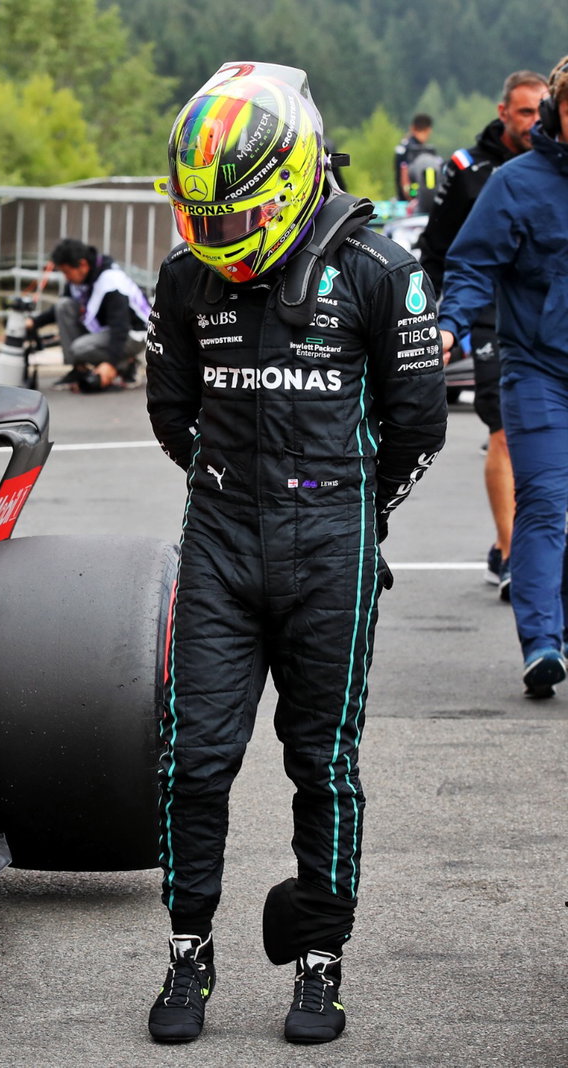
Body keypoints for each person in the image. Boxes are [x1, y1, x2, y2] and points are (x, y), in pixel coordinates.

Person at [144, 62, 446, 1045]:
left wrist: (353, 512)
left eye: (231, 218)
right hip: (221, 543)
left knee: (322, 764)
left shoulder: (379, 271)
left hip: (331, 549)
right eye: (202, 217)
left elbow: (418, 426)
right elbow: (170, 412)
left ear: (287, 182)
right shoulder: (185, 277)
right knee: (194, 761)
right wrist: (234, 486)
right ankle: (188, 949)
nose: (216, 236)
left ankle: (320, 960)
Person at [438, 55, 568, 698]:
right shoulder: (516, 184)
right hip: (540, 369)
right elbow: (470, 266)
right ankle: (542, 642)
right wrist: (446, 328)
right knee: (543, 501)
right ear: (554, 112)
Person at [420, 70, 550, 599]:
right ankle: (513, 552)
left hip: (543, 309)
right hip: (484, 309)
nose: (535, 121)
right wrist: (438, 319)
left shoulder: (554, 167)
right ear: (503, 113)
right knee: (501, 429)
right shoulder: (467, 169)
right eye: (525, 111)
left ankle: (521, 544)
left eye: (542, 110)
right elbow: (436, 248)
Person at [26, 238, 151, 392]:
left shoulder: (111, 281)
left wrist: (110, 364)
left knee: (79, 348)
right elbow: (58, 310)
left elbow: (120, 327)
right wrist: (34, 322)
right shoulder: (81, 279)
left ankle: (127, 365)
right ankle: (79, 370)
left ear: (83, 265)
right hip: (108, 331)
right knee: (64, 305)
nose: (66, 277)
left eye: (66, 272)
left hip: (134, 334)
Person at [394, 113, 436, 202]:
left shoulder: (404, 145)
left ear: (412, 128)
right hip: (411, 200)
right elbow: (405, 176)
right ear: (428, 130)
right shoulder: (414, 150)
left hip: (403, 198)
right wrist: (412, 197)